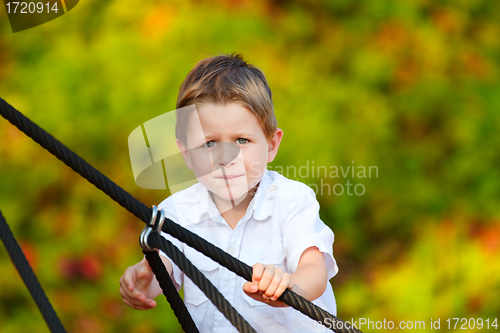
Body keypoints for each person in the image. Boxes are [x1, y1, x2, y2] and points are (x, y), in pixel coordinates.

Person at [119, 53, 338, 332]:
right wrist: (140, 283)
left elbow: (314, 272)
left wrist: (288, 286)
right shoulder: (175, 213)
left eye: (241, 140)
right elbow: (159, 273)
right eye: (209, 144)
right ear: (186, 153)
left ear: (271, 145)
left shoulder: (292, 201)